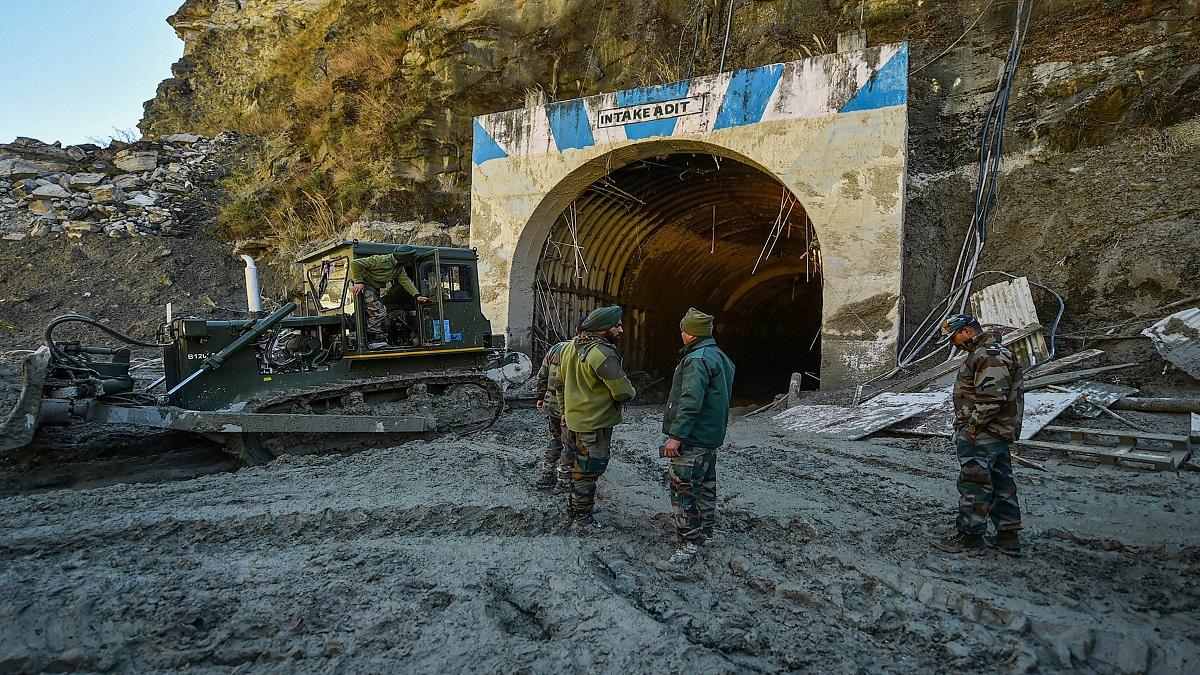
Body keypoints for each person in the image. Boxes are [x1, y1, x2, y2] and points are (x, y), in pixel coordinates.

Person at [933, 313, 1025, 556]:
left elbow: (992, 399)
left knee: (975, 484)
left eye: (953, 337)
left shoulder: (988, 355)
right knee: (1000, 482)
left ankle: (971, 536)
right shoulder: (985, 353)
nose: (953, 343)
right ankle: (1007, 536)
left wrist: (971, 429)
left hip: (984, 433)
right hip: (994, 432)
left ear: (967, 331)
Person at [654, 308, 735, 571]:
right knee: (706, 487)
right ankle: (706, 534)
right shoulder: (719, 356)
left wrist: (675, 438)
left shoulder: (696, 360)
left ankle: (688, 545)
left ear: (690, 333)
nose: (681, 333)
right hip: (709, 438)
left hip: (693, 437)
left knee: (683, 489)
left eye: (683, 329)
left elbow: (690, 401)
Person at [555, 305, 636, 531]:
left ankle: (574, 510)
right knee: (588, 471)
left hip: (573, 421)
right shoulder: (601, 353)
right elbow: (623, 391)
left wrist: (564, 411)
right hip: (595, 424)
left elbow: (559, 385)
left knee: (576, 467)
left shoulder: (570, 348)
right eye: (616, 326)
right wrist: (630, 392)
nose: (621, 330)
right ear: (602, 329)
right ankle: (582, 520)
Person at [534, 316, 585, 493]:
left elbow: (543, 375)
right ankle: (563, 482)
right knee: (569, 444)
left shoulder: (556, 348)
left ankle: (546, 474)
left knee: (556, 439)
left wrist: (540, 396)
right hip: (569, 407)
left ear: (576, 330)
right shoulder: (582, 352)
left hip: (551, 404)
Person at [349, 246, 430, 349]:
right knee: (380, 312)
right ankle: (374, 340)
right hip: (366, 286)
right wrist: (358, 281)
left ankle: (375, 338)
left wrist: (416, 295)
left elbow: (405, 281)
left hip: (374, 289)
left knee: (378, 312)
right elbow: (355, 263)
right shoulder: (381, 260)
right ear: (404, 260)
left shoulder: (399, 269)